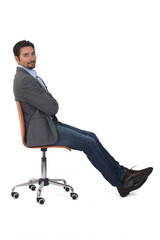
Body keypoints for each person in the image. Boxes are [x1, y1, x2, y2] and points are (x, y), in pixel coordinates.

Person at [13, 40, 153, 197]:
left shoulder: (29, 76)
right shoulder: (25, 80)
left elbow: (48, 104)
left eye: (33, 53)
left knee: (91, 136)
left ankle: (123, 174)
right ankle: (120, 182)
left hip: (47, 124)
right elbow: (53, 107)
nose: (31, 58)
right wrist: (49, 100)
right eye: (26, 55)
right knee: (89, 143)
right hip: (41, 132)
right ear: (16, 59)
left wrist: (48, 100)